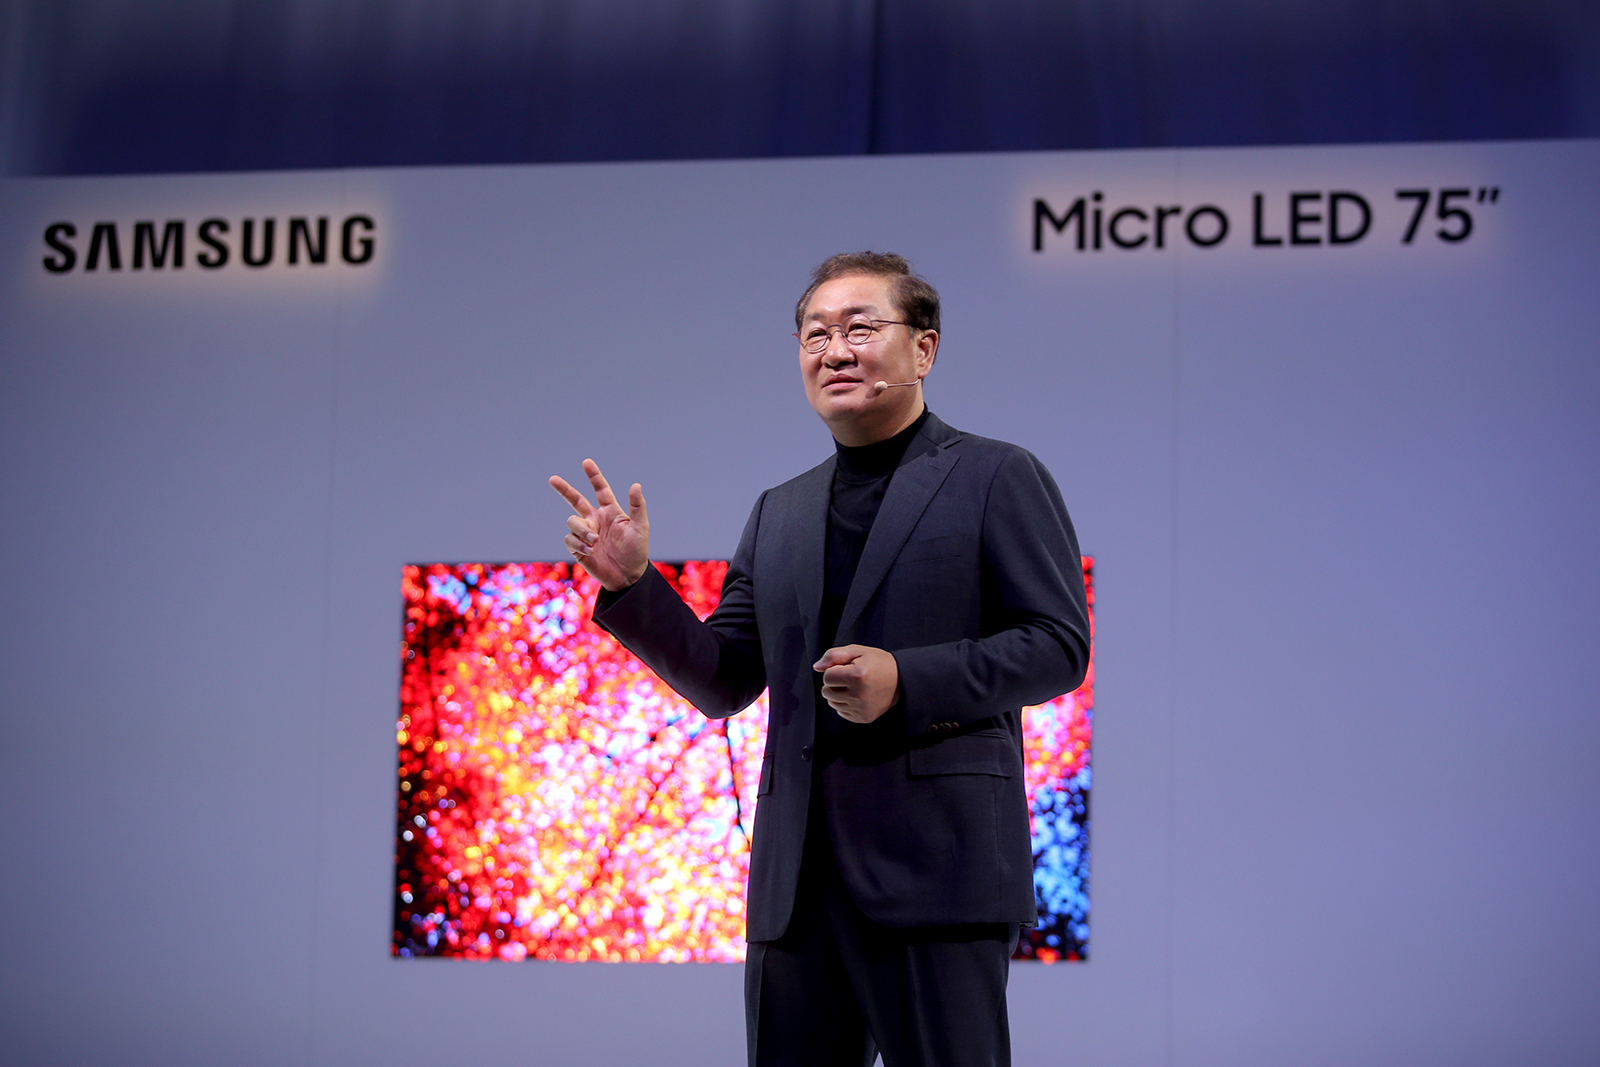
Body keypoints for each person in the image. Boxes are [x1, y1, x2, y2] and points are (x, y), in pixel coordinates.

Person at [549, 252, 1089, 1067]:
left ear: (924, 349)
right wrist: (635, 587)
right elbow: (726, 678)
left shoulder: (995, 475)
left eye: (860, 328)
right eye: (815, 334)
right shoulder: (781, 510)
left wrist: (906, 680)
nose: (835, 350)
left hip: (938, 874)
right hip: (794, 891)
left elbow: (1057, 644)